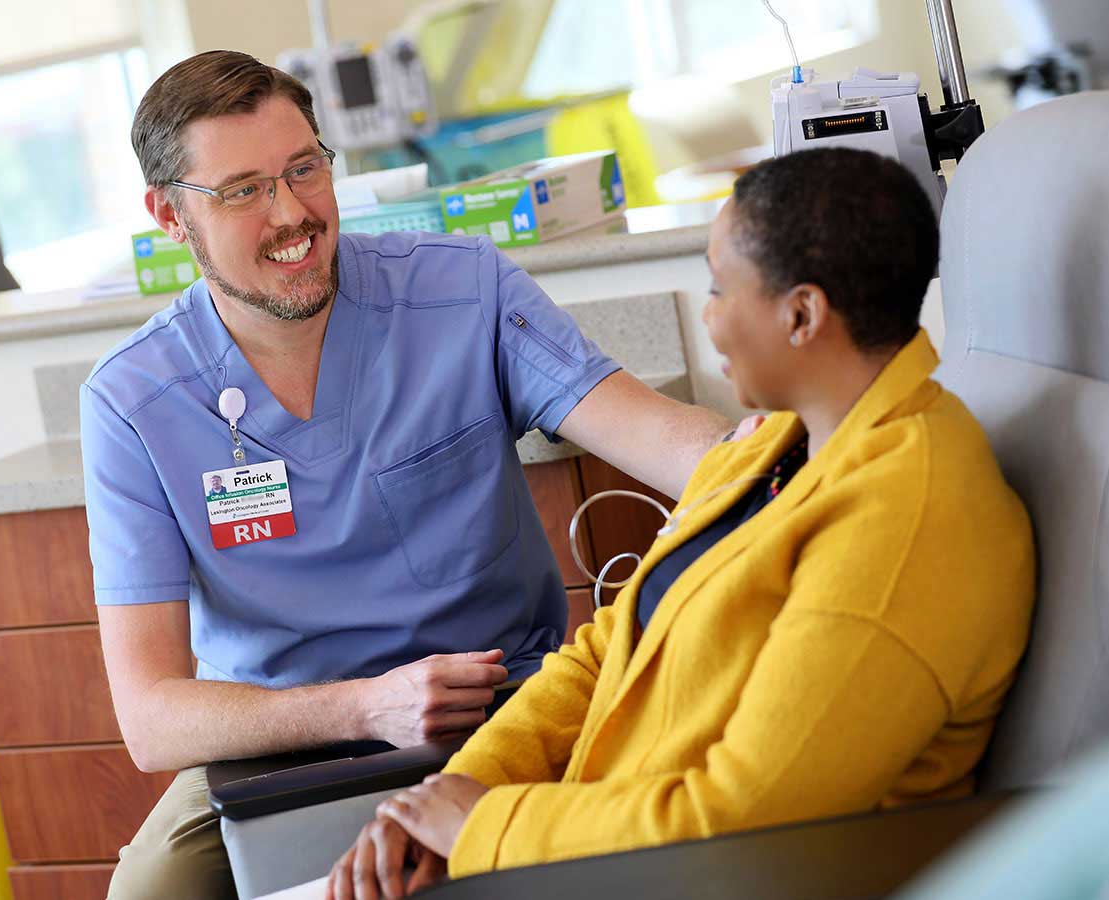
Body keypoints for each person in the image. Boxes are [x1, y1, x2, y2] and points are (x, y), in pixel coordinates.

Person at [80, 51, 736, 898]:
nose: (292, 214)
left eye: (304, 169)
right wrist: (363, 706)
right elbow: (150, 720)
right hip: (281, 746)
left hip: (505, 707)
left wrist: (791, 454)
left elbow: (664, 440)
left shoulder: (461, 291)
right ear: (171, 214)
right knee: (151, 889)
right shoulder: (134, 401)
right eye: (243, 191)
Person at [327, 147, 1037, 900]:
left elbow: (746, 822)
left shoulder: (902, 521)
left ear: (801, 315)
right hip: (598, 852)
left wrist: (485, 827)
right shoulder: (777, 445)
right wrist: (447, 799)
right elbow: (605, 651)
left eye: (719, 288)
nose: (708, 315)